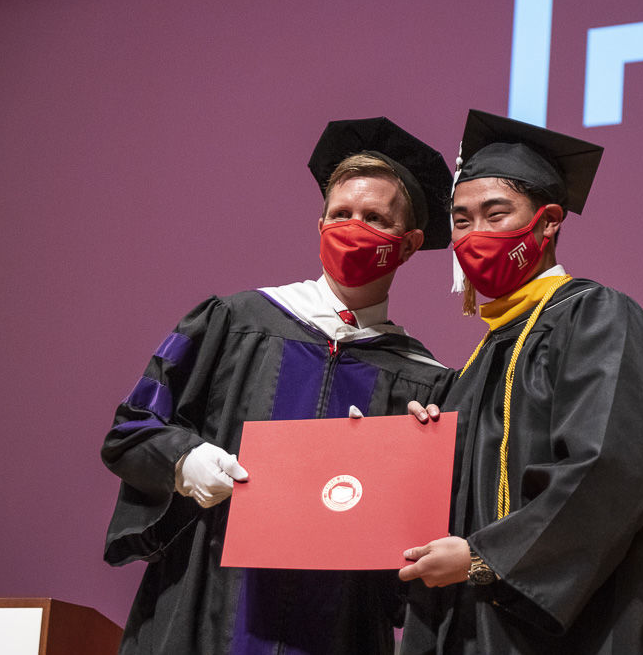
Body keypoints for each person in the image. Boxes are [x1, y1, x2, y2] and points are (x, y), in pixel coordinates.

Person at [101, 117, 455, 655]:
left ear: (408, 245)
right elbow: (131, 429)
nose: (353, 226)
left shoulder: (421, 380)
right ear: (319, 227)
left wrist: (414, 474)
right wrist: (183, 460)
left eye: (374, 218)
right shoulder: (234, 322)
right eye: (341, 214)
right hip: (208, 610)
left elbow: (419, 551)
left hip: (340, 629)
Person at [398, 109, 643, 654]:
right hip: (470, 626)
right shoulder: (482, 356)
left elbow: (607, 471)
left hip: (560, 630)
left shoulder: (597, 317)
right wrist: (417, 453)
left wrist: (487, 558)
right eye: (461, 220)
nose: (474, 234)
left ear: (548, 221)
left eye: (495, 214)